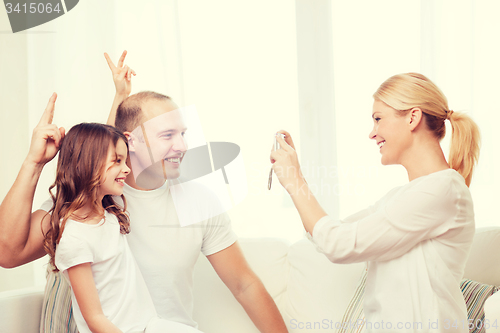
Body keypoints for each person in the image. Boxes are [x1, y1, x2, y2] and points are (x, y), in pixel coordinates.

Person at [0, 51, 288, 333]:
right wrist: (33, 162)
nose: (182, 146)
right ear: (131, 141)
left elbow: (244, 284)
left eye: (183, 134)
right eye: (167, 135)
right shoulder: (88, 202)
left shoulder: (199, 201)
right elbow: (8, 253)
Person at [270, 73, 480, 333]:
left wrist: (295, 180)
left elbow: (338, 244)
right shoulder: (400, 197)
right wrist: (295, 177)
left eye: (378, 119)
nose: (372, 133)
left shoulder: (443, 189)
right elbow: (328, 235)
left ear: (413, 118)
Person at [44, 122, 201, 333]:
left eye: (124, 159)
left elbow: (102, 144)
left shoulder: (108, 211)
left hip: (148, 325)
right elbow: (94, 319)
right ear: (86, 164)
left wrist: (120, 96)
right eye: (118, 161)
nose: (127, 168)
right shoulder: (74, 237)